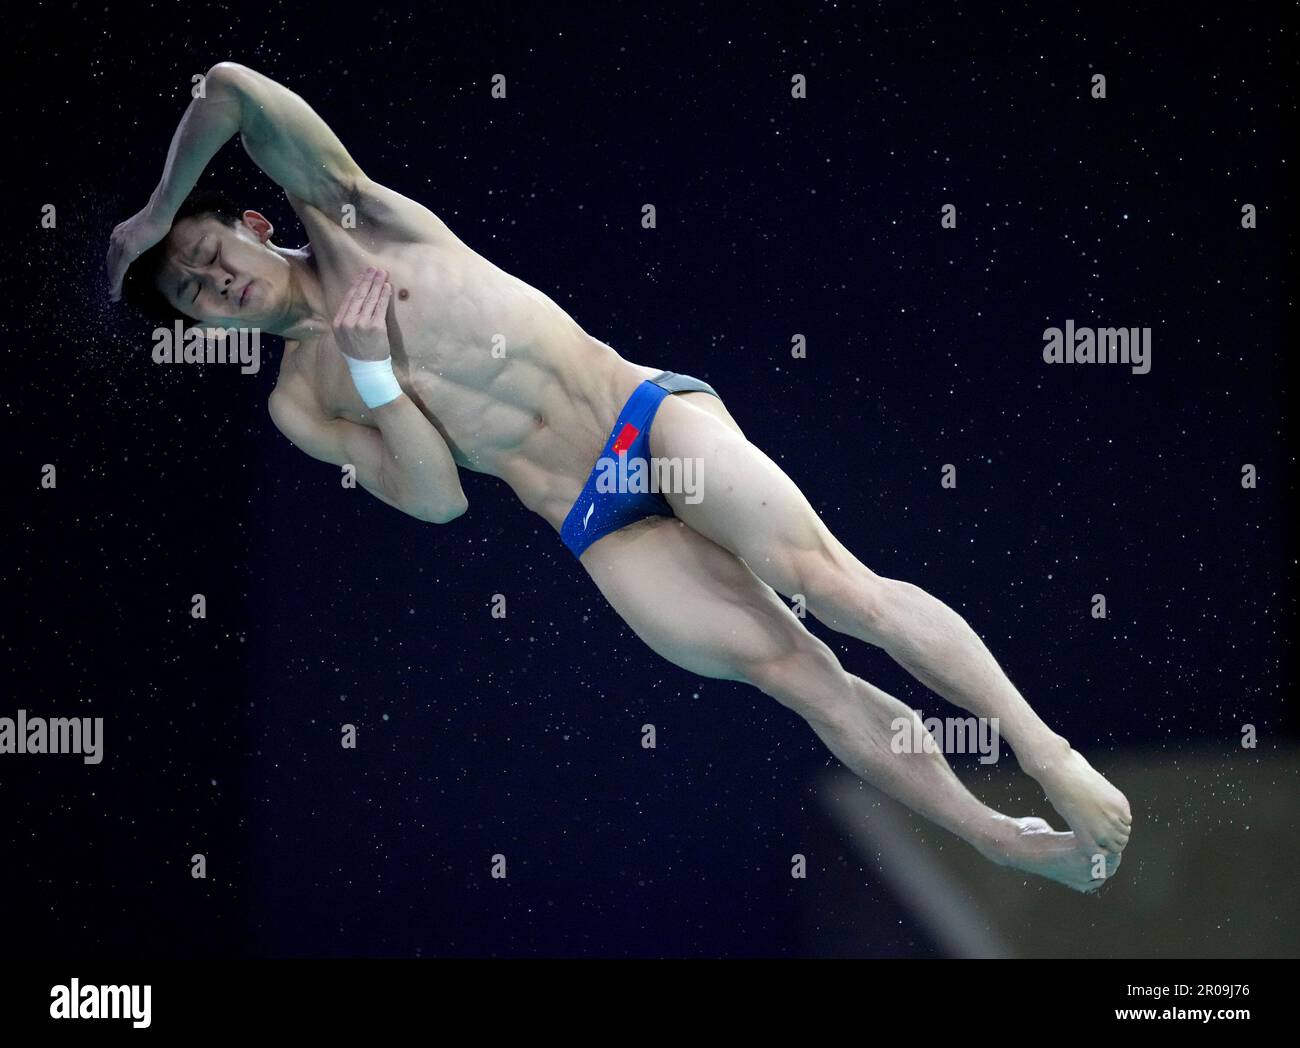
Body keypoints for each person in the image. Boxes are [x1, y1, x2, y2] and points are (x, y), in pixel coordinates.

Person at [108, 62, 1131, 892]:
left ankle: (1046, 754)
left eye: (202, 250)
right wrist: (374, 373)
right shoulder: (303, 398)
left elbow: (232, 88)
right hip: (598, 521)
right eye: (194, 295)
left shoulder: (351, 213)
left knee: (825, 580)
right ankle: (996, 837)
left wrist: (153, 211)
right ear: (207, 328)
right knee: (798, 676)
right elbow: (436, 496)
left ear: (244, 225)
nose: (213, 280)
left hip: (644, 419)